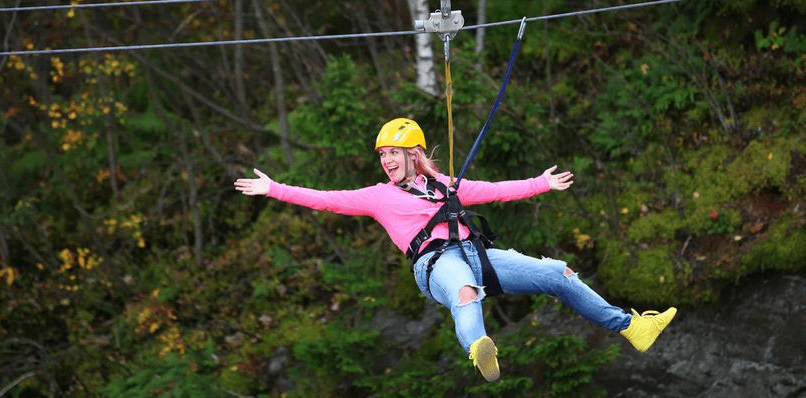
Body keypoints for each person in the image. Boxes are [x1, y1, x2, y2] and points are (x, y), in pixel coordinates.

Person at [234, 118, 676, 382]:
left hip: (476, 254)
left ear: (415, 154)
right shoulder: (377, 196)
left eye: (394, 153)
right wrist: (273, 189)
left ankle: (630, 326)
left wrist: (540, 183)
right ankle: (480, 347)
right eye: (382, 154)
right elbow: (326, 198)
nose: (386, 160)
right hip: (436, 265)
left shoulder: (447, 185)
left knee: (556, 272)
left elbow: (494, 190)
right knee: (465, 293)